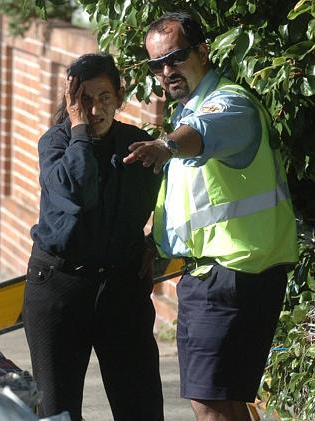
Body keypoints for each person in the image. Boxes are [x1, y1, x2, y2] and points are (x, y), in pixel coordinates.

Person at [123, 12, 298, 421]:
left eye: (177, 57)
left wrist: (165, 146)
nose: (167, 71)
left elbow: (206, 130)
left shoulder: (229, 103)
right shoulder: (190, 109)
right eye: (157, 64)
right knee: (225, 401)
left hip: (233, 275)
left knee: (211, 406)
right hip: (218, 275)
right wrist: (157, 244)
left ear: (203, 51)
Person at [22, 53, 164, 421]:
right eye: (84, 100)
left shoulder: (138, 145)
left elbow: (170, 199)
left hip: (122, 290)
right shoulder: (54, 144)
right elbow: (78, 191)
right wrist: (79, 130)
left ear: (120, 95)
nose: (95, 109)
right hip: (59, 288)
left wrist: (156, 243)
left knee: (141, 407)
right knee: (58, 411)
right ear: (71, 103)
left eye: (104, 98)